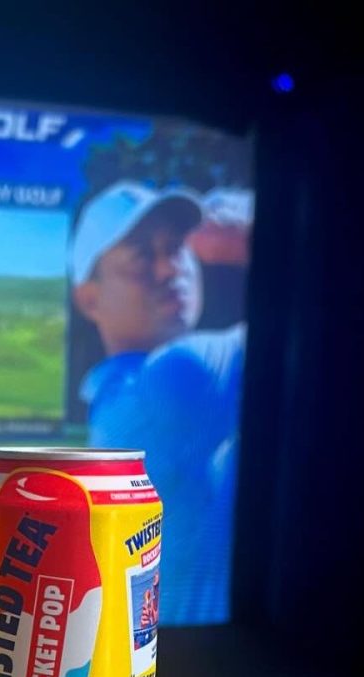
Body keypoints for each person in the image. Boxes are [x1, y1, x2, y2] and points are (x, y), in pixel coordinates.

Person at [69, 181, 250, 624]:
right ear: (89, 298)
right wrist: (253, 224)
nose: (171, 269)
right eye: (142, 257)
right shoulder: (176, 378)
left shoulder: (114, 400)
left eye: (177, 248)